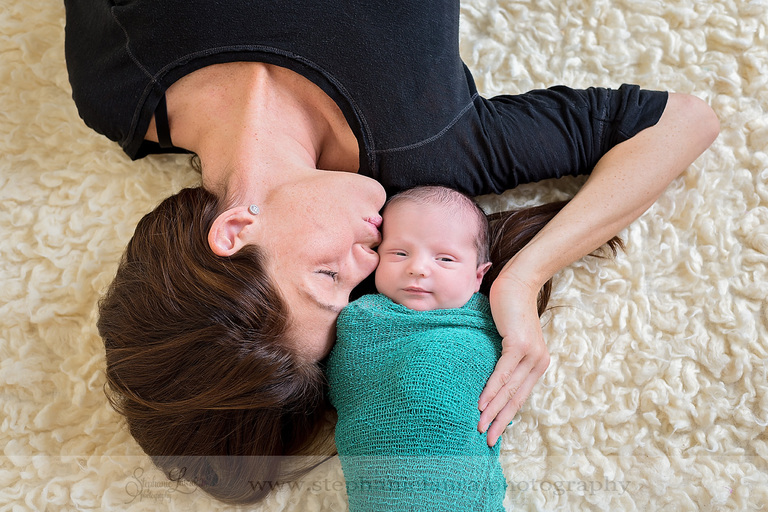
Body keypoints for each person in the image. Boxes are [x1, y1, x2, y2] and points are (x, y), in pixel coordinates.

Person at [64, 0, 719, 504]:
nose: (367, 264)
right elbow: (682, 122)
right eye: (352, 295)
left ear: (235, 232)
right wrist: (521, 279)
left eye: (326, 276)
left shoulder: (115, 88)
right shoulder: (430, 146)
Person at [327, 186, 506, 511]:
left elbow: (503, 396)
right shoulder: (361, 320)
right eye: (399, 253)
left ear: (479, 276)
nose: (419, 268)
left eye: (445, 258)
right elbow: (343, 383)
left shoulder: (490, 322)